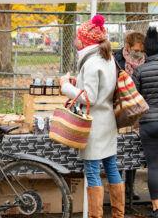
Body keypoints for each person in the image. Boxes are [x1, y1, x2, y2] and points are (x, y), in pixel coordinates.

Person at [60, 15, 124, 218]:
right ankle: (118, 214)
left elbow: (90, 98)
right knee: (112, 168)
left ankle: (96, 216)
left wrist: (65, 86)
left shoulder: (90, 63)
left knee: (92, 172)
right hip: (108, 123)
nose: (76, 41)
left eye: (79, 38)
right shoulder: (108, 58)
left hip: (93, 126)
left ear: (86, 41)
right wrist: (77, 82)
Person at [114, 31, 146, 201]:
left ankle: (130, 189)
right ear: (128, 47)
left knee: (132, 150)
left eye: (141, 50)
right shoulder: (117, 60)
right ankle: (118, 189)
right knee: (120, 150)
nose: (138, 53)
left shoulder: (146, 61)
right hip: (121, 108)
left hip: (138, 109)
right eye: (136, 50)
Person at [132, 27, 158, 218]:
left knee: (154, 166)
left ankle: (157, 208)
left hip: (148, 123)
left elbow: (134, 99)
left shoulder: (139, 70)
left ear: (145, 51)